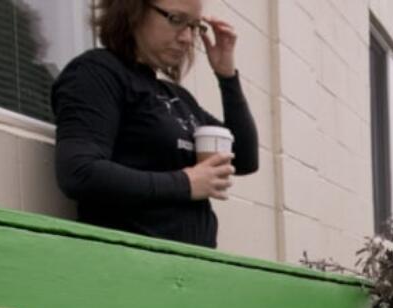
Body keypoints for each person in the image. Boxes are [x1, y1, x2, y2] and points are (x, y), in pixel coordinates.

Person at [52, 0, 259, 249]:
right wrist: (185, 184)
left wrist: (227, 76)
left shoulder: (177, 97)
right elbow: (79, 173)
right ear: (133, 11)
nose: (186, 38)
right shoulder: (98, 73)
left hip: (191, 270)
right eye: (176, 19)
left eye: (194, 26)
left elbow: (245, 158)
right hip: (132, 266)